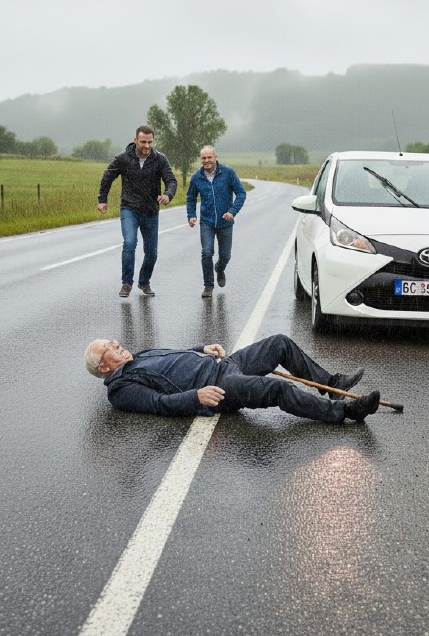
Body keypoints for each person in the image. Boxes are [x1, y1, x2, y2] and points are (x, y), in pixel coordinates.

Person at [84, 333, 379, 423]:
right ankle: (346, 412)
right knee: (276, 388)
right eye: (107, 348)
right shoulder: (120, 389)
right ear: (104, 368)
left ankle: (334, 385)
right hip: (220, 386)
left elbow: (176, 357)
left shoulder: (139, 355)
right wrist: (196, 397)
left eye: (111, 341)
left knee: (279, 343)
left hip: (225, 363)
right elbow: (158, 403)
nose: (115, 344)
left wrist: (202, 349)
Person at [98, 125, 178, 297]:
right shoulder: (123, 158)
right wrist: (102, 200)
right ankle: (126, 283)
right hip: (130, 209)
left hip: (151, 211)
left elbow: (171, 180)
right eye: (143, 142)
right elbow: (107, 176)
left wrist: (167, 194)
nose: (147, 146)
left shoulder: (160, 159)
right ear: (135, 140)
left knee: (151, 252)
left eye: (150, 142)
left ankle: (144, 282)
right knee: (129, 243)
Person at [186, 146, 246, 298]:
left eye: (209, 158)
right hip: (206, 222)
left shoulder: (228, 173)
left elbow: (241, 193)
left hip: (225, 221)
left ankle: (219, 268)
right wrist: (191, 215)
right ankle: (208, 286)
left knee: (225, 255)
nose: (206, 161)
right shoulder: (196, 177)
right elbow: (191, 198)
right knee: (207, 252)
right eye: (203, 158)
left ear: (215, 157)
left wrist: (232, 212)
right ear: (201, 159)